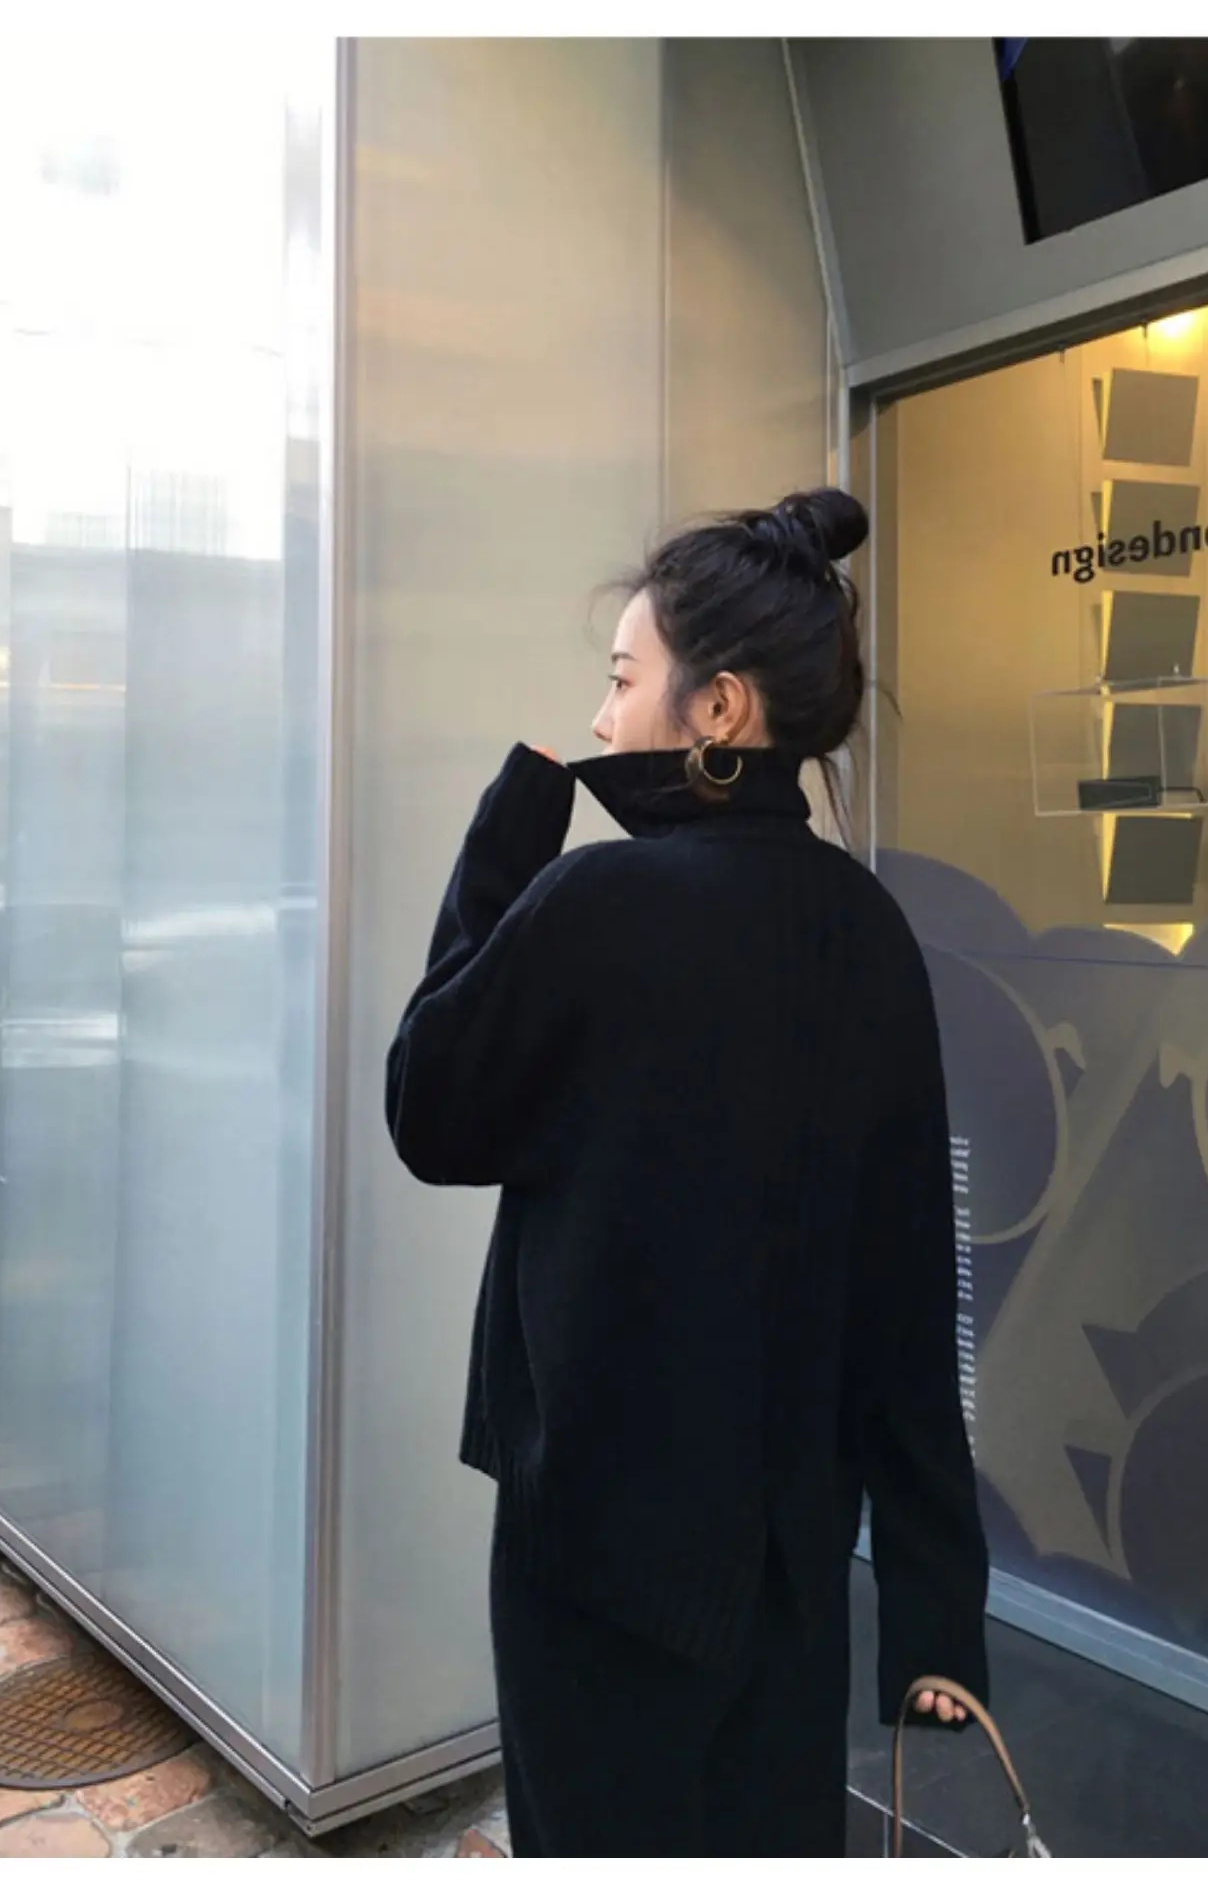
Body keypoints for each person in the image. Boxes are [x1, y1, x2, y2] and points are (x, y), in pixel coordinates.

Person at [385, 488, 989, 1859]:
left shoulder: (597, 903)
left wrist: (508, 834)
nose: (602, 720)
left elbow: (430, 1110)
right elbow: (909, 1288)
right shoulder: (869, 930)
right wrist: (935, 1615)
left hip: (596, 1556)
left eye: (621, 679)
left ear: (718, 708)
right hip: (790, 1562)